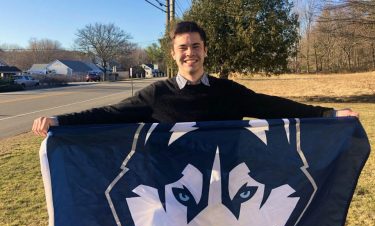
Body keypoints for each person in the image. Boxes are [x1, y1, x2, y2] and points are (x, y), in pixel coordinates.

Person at [32, 21, 358, 136]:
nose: (191, 53)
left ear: (205, 51)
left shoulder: (227, 92)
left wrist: (328, 114)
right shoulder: (156, 94)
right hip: (173, 195)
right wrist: (59, 121)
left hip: (224, 192)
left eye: (196, 46)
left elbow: (272, 106)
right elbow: (109, 114)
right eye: (183, 48)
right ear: (173, 54)